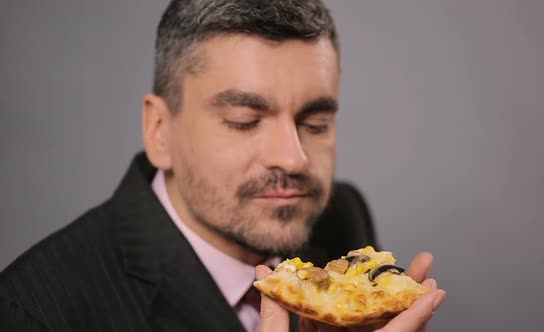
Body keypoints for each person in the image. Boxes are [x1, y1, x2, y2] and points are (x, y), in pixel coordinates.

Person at [0, 0, 446, 331]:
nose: (293, 158)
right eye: (244, 121)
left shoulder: (341, 216)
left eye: (316, 121)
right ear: (160, 131)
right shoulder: (32, 313)